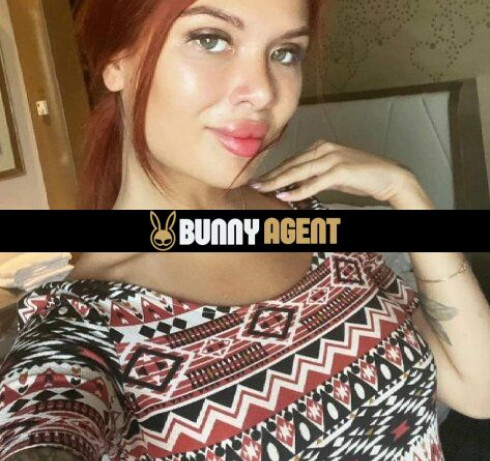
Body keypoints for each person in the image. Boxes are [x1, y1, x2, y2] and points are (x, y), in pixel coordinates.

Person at [1, 0, 489, 460]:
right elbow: (45, 422)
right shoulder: (83, 330)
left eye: (285, 52)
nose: (264, 92)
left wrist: (407, 193)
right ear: (116, 61)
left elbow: (479, 390)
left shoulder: (308, 220)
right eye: (210, 39)